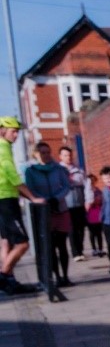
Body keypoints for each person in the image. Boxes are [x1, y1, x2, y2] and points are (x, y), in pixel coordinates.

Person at [0, 115, 45, 295]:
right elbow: (14, 178)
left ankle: (10, 283)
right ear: (2, 130)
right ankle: (3, 276)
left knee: (7, 243)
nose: (16, 135)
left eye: (17, 132)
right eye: (13, 131)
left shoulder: (5, 147)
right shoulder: (3, 149)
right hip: (6, 201)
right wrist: (32, 198)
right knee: (23, 244)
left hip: (4, 199)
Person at [24, 142, 74, 287]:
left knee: (62, 245)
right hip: (45, 212)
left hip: (61, 209)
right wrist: (45, 200)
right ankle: (56, 277)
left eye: (47, 152)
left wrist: (56, 198)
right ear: (35, 154)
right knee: (50, 246)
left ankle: (65, 276)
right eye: (42, 153)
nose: (45, 155)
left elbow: (66, 186)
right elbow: (31, 190)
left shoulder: (58, 169)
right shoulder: (31, 171)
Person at [58, 146, 92, 261]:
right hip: (66, 205)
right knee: (71, 229)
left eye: (70, 155)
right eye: (65, 155)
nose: (68, 157)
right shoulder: (59, 171)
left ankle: (81, 250)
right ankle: (75, 253)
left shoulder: (79, 170)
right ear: (60, 157)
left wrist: (88, 200)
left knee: (80, 229)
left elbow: (87, 186)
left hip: (79, 204)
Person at [86, 173, 104, 258]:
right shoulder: (86, 191)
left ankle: (100, 249)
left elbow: (101, 200)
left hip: (98, 213)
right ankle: (94, 249)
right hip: (90, 214)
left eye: (93, 181)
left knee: (99, 233)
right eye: (90, 181)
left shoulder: (98, 191)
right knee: (92, 233)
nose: (92, 183)